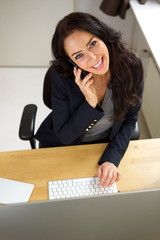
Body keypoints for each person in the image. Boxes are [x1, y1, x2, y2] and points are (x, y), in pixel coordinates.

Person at [35, 12, 144, 188]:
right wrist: (89, 103)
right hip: (66, 147)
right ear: (71, 62)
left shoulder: (132, 67)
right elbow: (65, 137)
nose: (93, 58)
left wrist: (112, 159)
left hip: (105, 145)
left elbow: (130, 119)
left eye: (93, 44)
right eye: (78, 56)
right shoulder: (62, 78)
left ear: (103, 36)